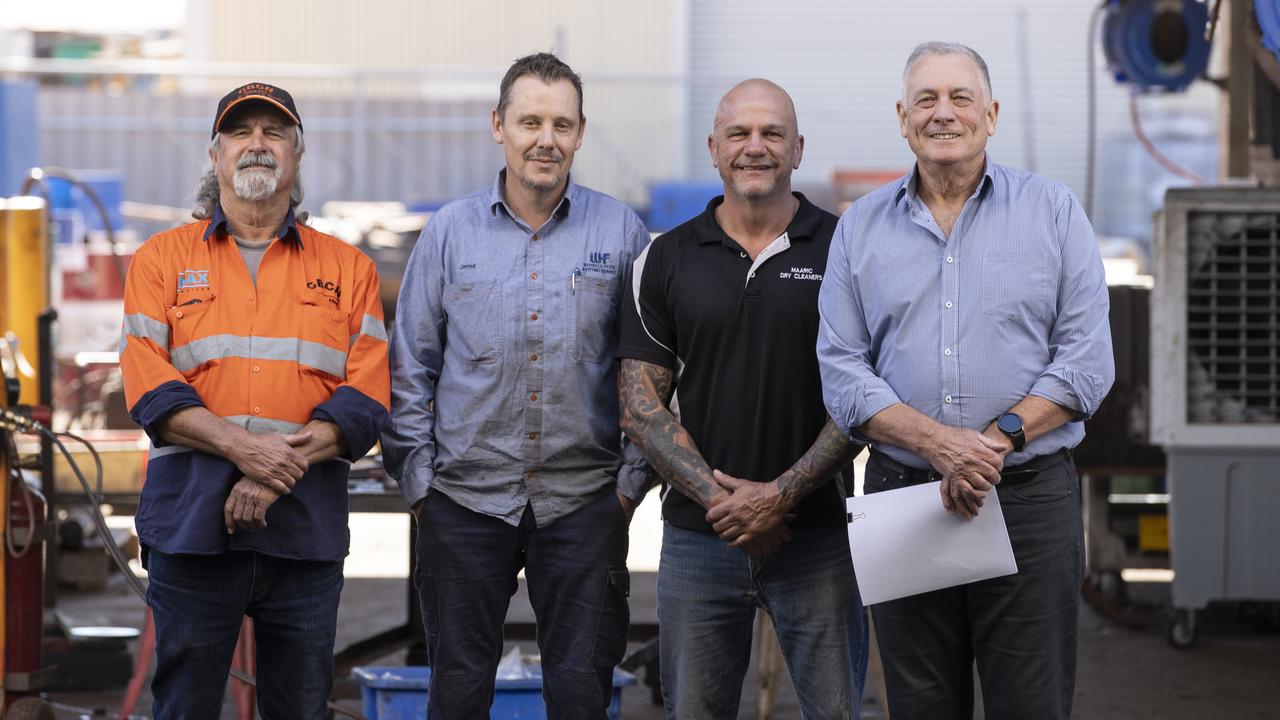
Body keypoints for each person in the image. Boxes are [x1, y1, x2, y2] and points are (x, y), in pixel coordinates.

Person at [817, 42, 1115, 719]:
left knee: (1030, 703)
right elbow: (841, 371)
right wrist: (937, 445)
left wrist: (992, 441)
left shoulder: (1053, 211)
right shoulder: (859, 228)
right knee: (921, 705)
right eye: (926, 99)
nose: (943, 113)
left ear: (991, 113)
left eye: (960, 98)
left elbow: (1087, 360)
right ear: (902, 117)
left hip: (1028, 498)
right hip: (903, 498)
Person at [381, 52, 651, 718]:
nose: (546, 139)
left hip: (584, 505)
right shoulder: (449, 234)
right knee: (459, 692)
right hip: (465, 505)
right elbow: (409, 366)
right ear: (497, 125)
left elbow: (650, 375)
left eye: (561, 123)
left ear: (581, 132)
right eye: (530, 120)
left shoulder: (621, 234)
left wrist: (627, 489)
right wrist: (421, 488)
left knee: (582, 694)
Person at [119, 82, 390, 719]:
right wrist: (249, 452)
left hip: (304, 531)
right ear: (215, 156)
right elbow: (148, 385)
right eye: (242, 133)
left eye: (275, 133)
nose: (258, 145)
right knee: (184, 708)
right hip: (191, 529)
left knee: (299, 708)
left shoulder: (349, 269)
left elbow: (367, 398)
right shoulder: (160, 261)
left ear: (297, 155)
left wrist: (271, 476)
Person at [617, 78, 868, 719]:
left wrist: (781, 496)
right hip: (699, 543)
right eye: (739, 133)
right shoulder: (664, 258)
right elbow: (641, 407)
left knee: (836, 712)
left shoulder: (848, 251)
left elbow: (867, 397)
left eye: (772, 133)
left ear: (798, 148)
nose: (754, 148)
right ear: (713, 147)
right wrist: (726, 504)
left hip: (818, 540)